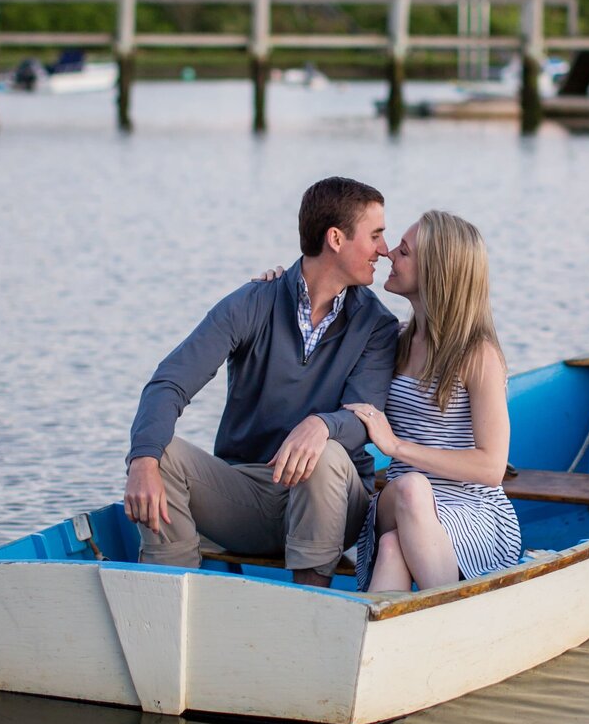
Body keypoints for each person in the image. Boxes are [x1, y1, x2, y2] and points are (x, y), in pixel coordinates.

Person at [124, 177, 398, 586]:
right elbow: (170, 382)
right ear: (336, 239)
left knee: (322, 455)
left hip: (335, 502)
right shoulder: (253, 303)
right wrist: (142, 460)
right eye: (375, 235)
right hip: (248, 496)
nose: (384, 249)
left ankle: (313, 609)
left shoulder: (376, 326)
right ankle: (170, 601)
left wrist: (320, 425)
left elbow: (363, 418)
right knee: (158, 455)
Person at [347, 210, 522, 593]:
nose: (390, 253)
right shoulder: (393, 341)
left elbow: (492, 467)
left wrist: (395, 447)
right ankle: (457, 620)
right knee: (411, 488)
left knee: (393, 548)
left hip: (472, 511)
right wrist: (281, 285)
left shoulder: (478, 356)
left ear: (436, 272)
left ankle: (385, 643)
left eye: (404, 251)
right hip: (399, 501)